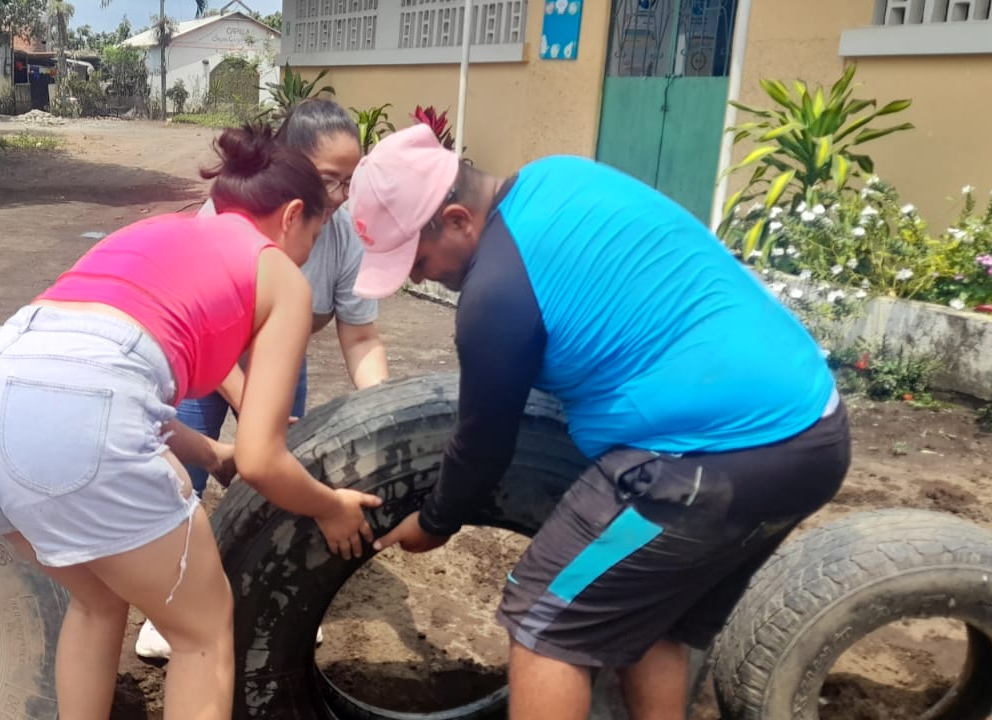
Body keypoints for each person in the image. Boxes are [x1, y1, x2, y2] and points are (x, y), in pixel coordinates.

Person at [356, 126, 850, 719]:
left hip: (709, 457)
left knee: (544, 619)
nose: (416, 278)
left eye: (416, 260)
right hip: (812, 429)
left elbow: (484, 441)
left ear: (458, 220)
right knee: (652, 616)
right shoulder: (558, 175)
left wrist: (436, 520)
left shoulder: (495, 293)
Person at [0, 123, 383, 720]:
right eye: (316, 233)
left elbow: (87, 383)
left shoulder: (153, 232)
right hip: (69, 420)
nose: (308, 251)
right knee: (202, 631)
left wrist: (210, 453)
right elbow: (261, 459)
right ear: (292, 216)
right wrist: (329, 507)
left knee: (97, 600)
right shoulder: (278, 273)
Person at [137, 97, 390, 659]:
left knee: (279, 471)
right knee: (184, 474)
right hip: (205, 355)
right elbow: (198, 331)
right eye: (329, 179)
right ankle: (168, 609)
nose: (341, 195)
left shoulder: (345, 232)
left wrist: (385, 406)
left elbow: (360, 336)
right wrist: (250, 401)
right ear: (288, 167)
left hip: (281, 354)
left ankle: (273, 595)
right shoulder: (229, 216)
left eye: (351, 180)